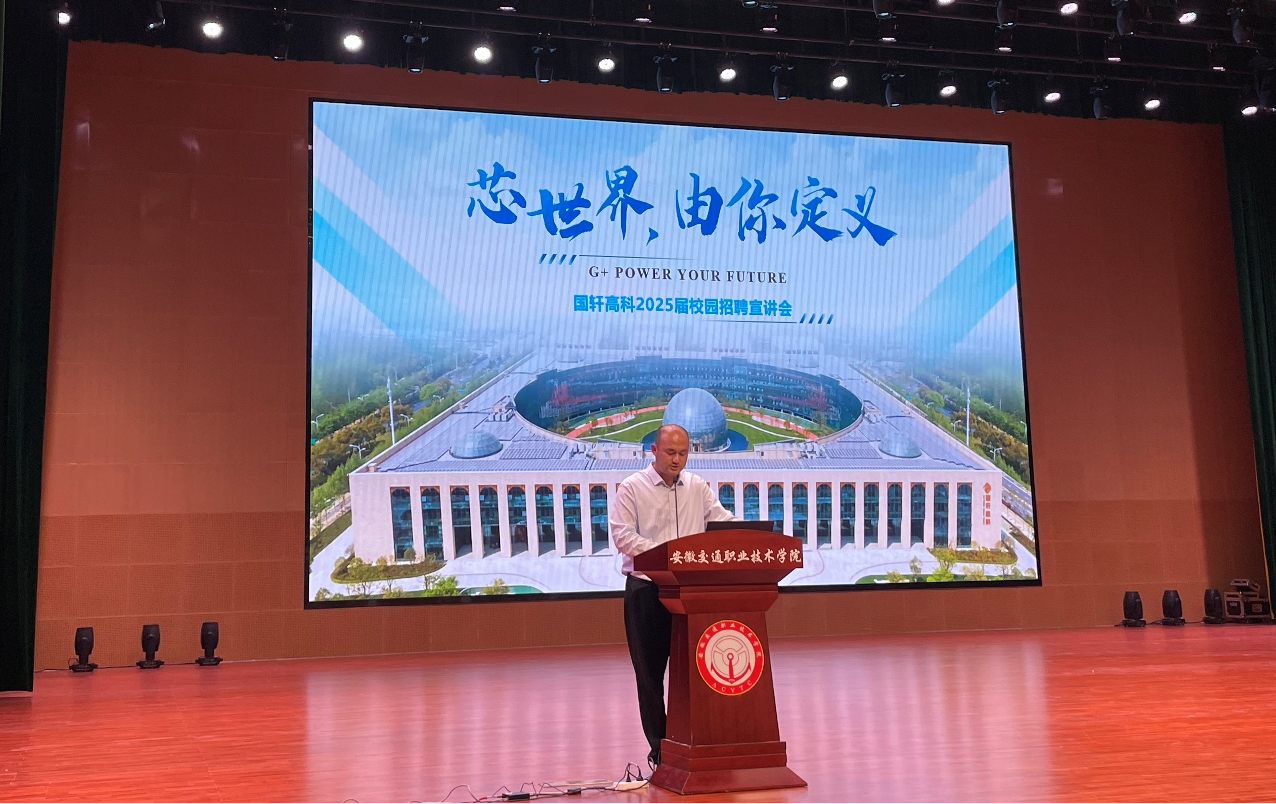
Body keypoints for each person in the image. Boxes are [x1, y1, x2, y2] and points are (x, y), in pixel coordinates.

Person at [610, 423, 735, 770]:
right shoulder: (632, 488)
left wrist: (745, 534)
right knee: (650, 676)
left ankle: (694, 741)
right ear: (653, 450)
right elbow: (623, 536)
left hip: (690, 592)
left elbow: (721, 522)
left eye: (682, 453)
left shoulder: (697, 487)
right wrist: (667, 555)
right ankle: (661, 751)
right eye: (670, 452)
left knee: (695, 670)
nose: (677, 459)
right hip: (647, 591)